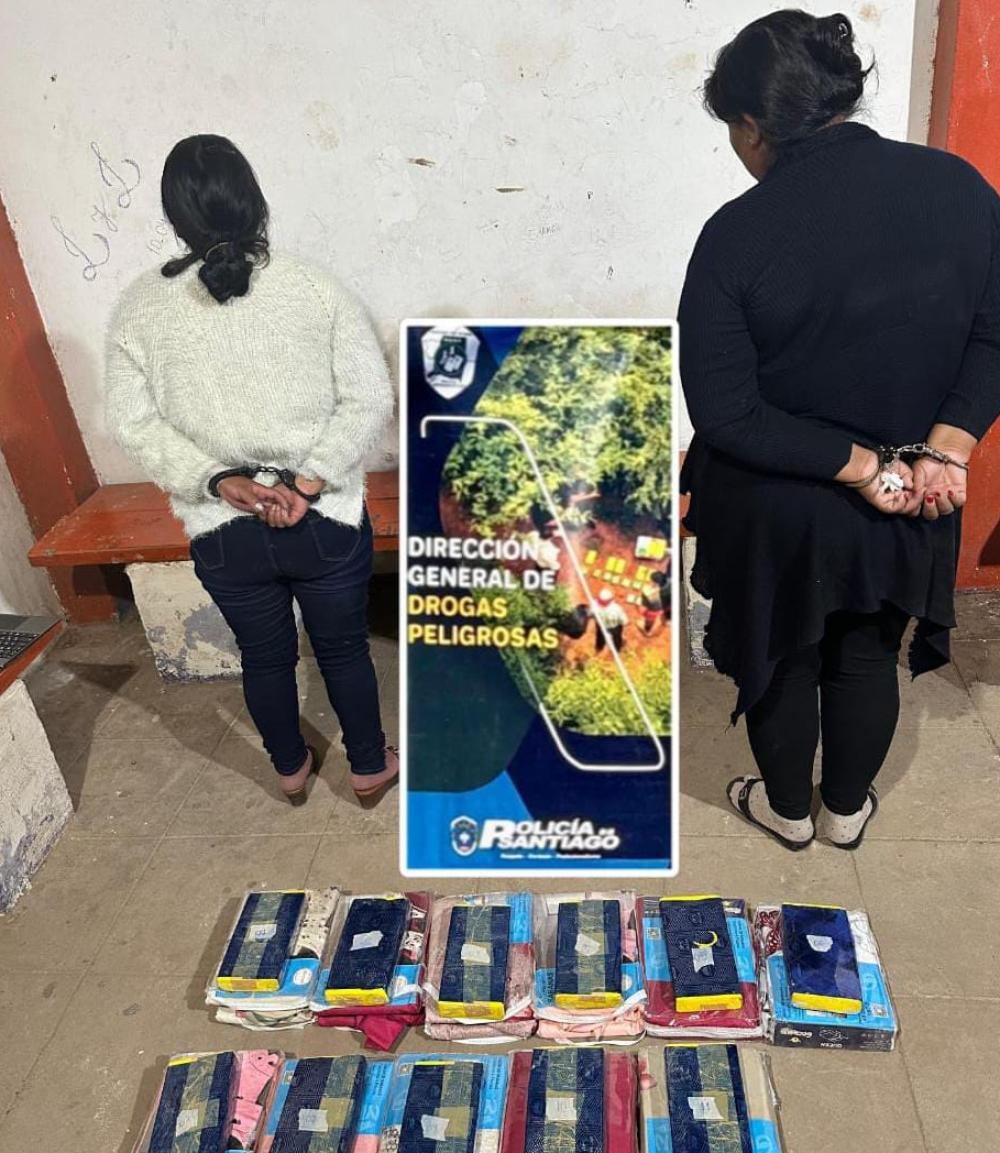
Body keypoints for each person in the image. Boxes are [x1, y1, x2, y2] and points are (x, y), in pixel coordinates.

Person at [679, 12, 1000, 849]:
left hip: (778, 500)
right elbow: (995, 332)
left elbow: (727, 412)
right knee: (863, 653)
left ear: (753, 126)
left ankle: (786, 812)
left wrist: (858, 465)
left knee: (782, 655)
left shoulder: (736, 234)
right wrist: (948, 446)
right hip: (913, 493)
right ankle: (845, 812)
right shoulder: (961, 190)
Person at [105, 134, 397, 805]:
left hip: (222, 527)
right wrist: (306, 481)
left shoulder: (138, 308)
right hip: (322, 517)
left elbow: (134, 423)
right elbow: (370, 397)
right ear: (254, 200)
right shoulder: (316, 288)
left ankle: (289, 768)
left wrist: (218, 480)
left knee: (264, 657)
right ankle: (368, 765)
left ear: (174, 215)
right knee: (343, 650)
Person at [594, 588, 628, 653]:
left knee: (600, 636)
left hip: (600, 625)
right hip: (614, 627)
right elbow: (624, 621)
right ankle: (617, 649)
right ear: (610, 600)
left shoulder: (594, 605)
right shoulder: (616, 609)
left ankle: (599, 647)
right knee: (616, 638)